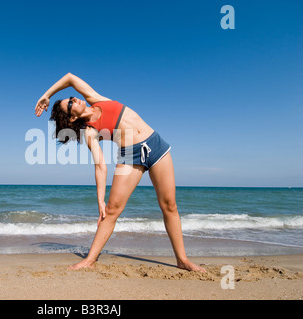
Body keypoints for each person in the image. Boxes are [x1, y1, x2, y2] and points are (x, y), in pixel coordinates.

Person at [35, 73, 205, 272]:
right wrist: (100, 200)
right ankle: (90, 259)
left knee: (169, 205)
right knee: (112, 209)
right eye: (71, 104)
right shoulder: (90, 132)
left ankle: (182, 259)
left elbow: (71, 78)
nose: (74, 99)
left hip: (156, 146)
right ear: (73, 117)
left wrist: (46, 95)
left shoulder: (96, 99)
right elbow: (100, 166)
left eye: (71, 98)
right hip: (130, 157)